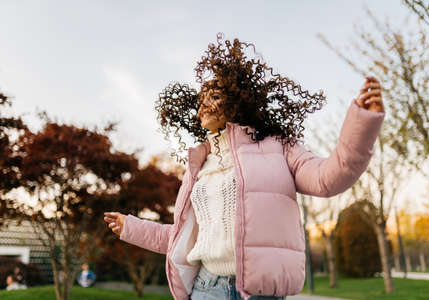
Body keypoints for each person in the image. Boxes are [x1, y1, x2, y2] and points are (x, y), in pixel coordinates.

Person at [104, 33, 385, 300]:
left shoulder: (279, 146)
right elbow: (183, 238)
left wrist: (362, 123)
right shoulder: (199, 165)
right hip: (206, 289)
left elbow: (329, 178)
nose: (203, 106)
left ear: (237, 99)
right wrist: (132, 227)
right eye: (201, 100)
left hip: (261, 293)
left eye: (213, 97)